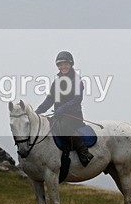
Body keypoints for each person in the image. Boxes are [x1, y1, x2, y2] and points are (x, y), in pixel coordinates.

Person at [35, 51, 94, 179]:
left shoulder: (77, 80)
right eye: (61, 65)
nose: (63, 67)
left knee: (64, 128)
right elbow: (50, 99)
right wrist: (38, 111)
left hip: (74, 116)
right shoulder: (56, 82)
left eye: (65, 64)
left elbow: (77, 99)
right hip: (59, 116)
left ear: (71, 64)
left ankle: (84, 152)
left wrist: (63, 108)